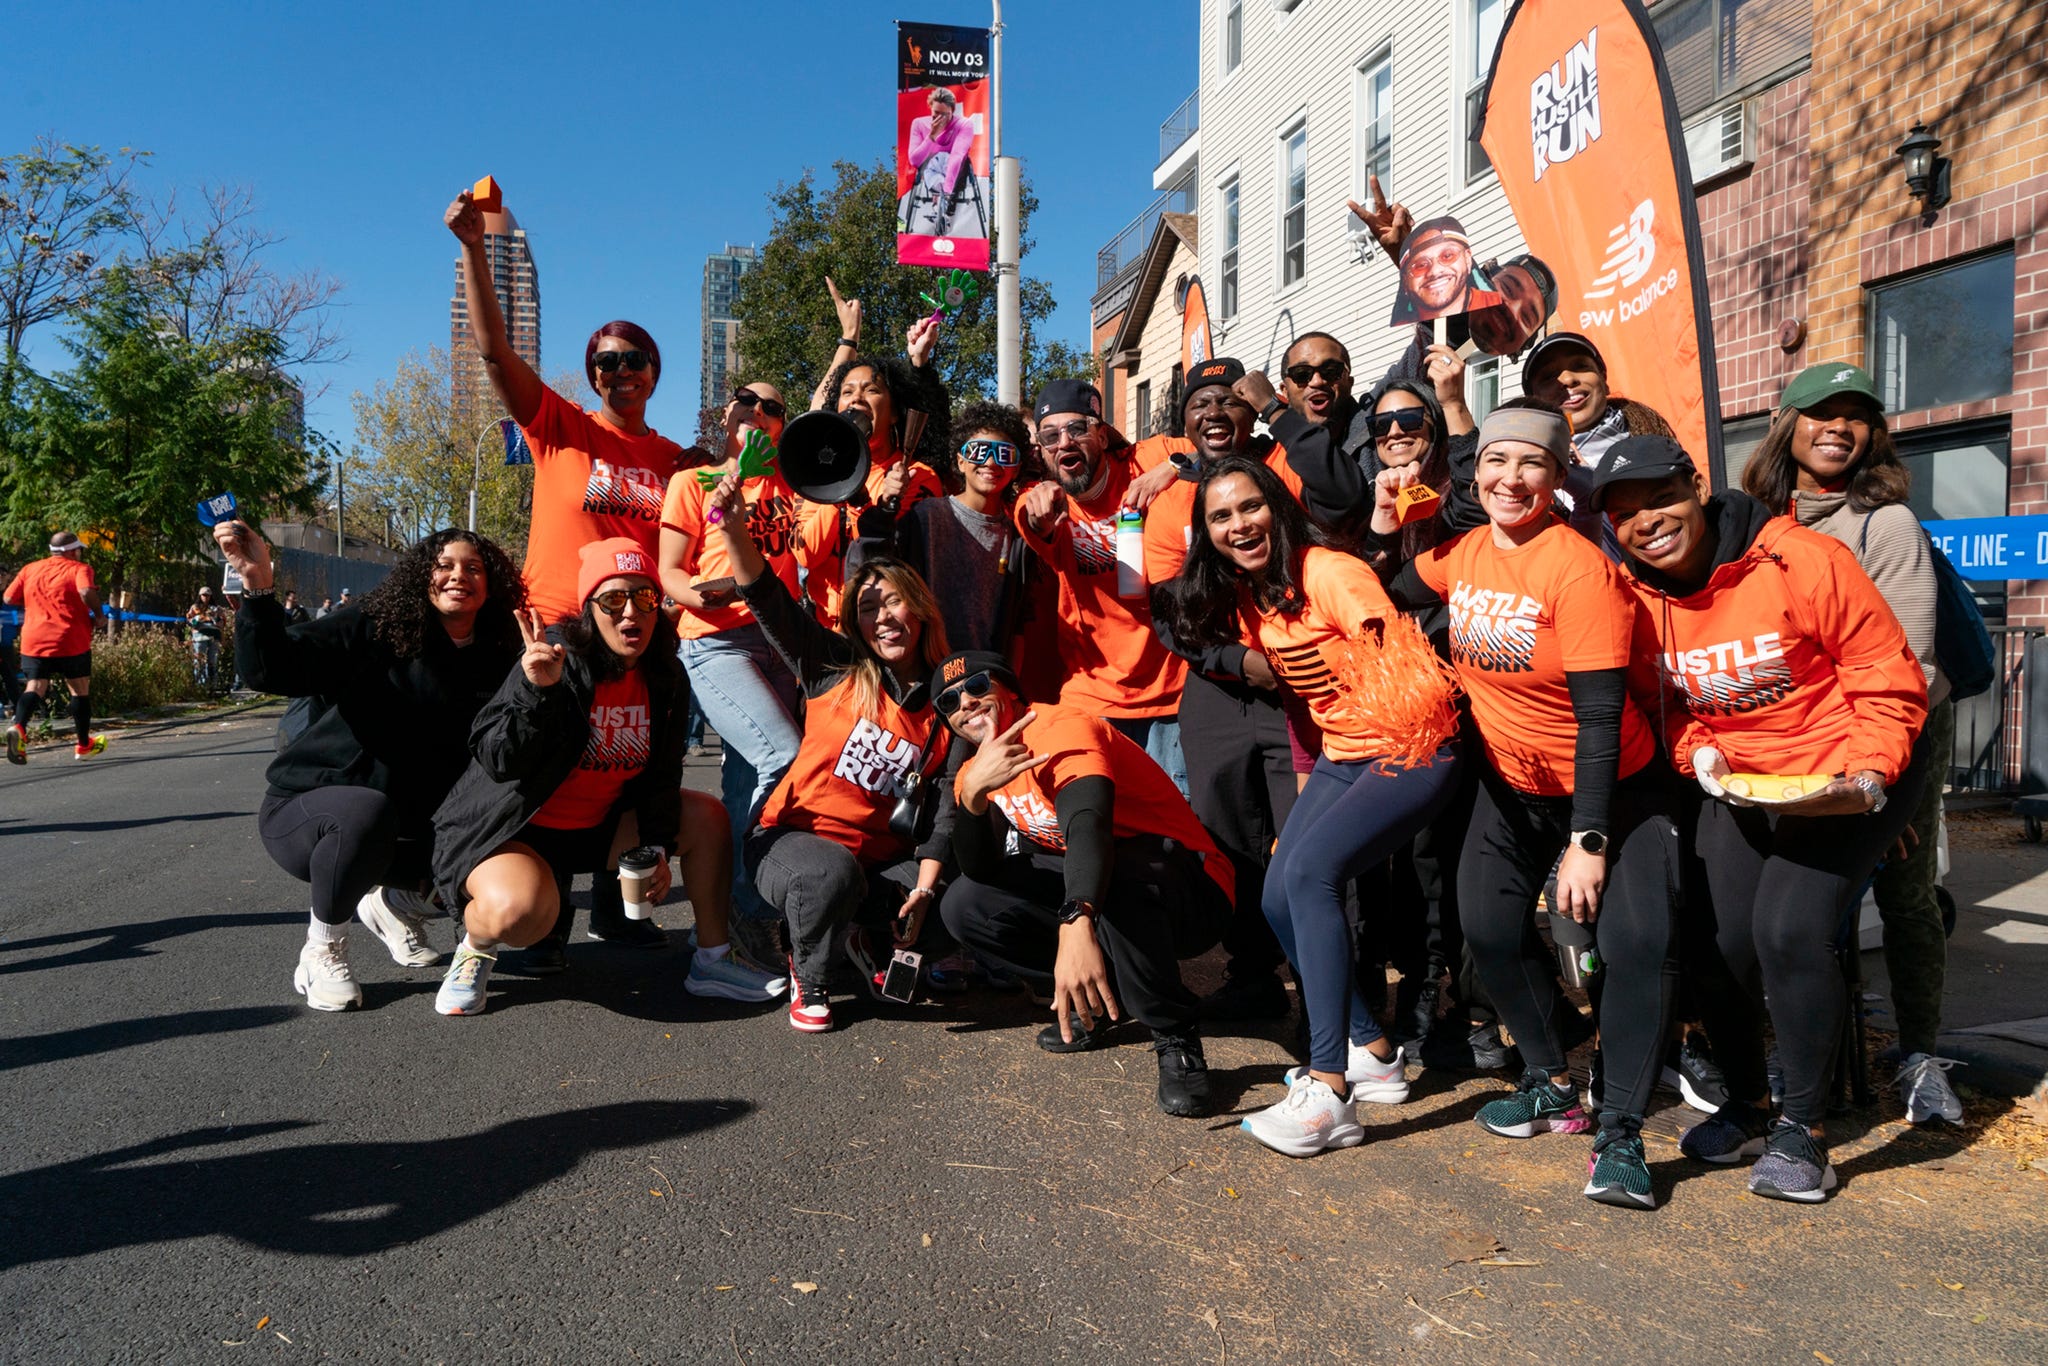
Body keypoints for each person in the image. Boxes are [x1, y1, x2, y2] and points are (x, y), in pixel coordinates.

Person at [1591, 435, 1928, 1203]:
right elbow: (1661, 710)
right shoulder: (1631, 599)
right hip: (1747, 780)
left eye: (1662, 498)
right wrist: (1698, 756)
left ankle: (1805, 1131)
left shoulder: (1800, 560)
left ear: (1696, 486)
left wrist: (1871, 773)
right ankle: (1748, 1103)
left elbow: (1885, 676)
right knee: (1717, 941)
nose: (1649, 521)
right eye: (1626, 513)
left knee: (1787, 928)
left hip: (1849, 765)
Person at [1371, 404, 1685, 1208]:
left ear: (1558, 476)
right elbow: (1387, 592)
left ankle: (1620, 1134)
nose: (1512, 479)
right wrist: (1384, 522)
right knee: (1487, 928)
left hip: (1612, 790)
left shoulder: (1577, 568)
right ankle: (1550, 1077)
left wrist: (1588, 838)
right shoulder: (1463, 552)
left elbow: (1602, 718)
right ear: (1475, 472)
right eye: (1498, 461)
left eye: (1532, 464)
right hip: (1511, 787)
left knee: (1634, 944)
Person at [1167, 456, 1464, 1155]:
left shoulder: (1329, 573)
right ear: (1206, 535)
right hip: (1342, 753)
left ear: (1276, 505)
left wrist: (1372, 764)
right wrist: (1309, 796)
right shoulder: (1253, 596)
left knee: (1311, 878)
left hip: (1413, 746)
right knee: (1276, 895)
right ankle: (1375, 1051)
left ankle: (1330, 1091)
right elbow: (1307, 707)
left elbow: (1402, 666)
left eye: (1250, 507)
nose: (1240, 524)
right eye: (1221, 516)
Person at [447, 185, 686, 946]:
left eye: (635, 359)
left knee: (628, 764)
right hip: (555, 632)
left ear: (655, 371)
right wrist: (474, 249)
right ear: (592, 376)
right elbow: (492, 350)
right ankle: (511, 894)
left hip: (633, 633)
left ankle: (619, 899)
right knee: (540, 768)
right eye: (606, 362)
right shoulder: (558, 427)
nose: (621, 371)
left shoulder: (674, 459)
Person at [1742, 361, 1962, 1126]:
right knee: (1798, 896)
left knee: (1903, 890)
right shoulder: (1759, 518)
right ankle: (1809, 1053)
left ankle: (1919, 1054)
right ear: (1787, 424)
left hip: (1898, 730)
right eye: (1821, 411)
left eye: (1857, 416)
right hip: (1794, 740)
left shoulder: (1884, 522)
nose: (1838, 426)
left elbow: (1916, 662)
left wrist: (1879, 784)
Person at [430, 540, 782, 1016]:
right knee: (523, 914)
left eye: (645, 597)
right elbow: (498, 760)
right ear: (589, 610)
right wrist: (537, 692)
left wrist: (656, 846)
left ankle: (713, 958)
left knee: (706, 816)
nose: (630, 611)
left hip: (597, 828)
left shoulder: (665, 675)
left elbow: (661, 774)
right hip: (518, 832)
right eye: (613, 599)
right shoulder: (555, 659)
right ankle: (474, 948)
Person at [219, 522, 524, 1010]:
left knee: (500, 849)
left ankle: (397, 902)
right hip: (317, 815)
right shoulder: (375, 627)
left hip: (411, 830)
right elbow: (271, 668)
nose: (457, 576)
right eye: (443, 566)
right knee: (366, 811)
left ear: (492, 585)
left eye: (473, 568)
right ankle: (322, 949)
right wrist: (258, 586)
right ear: (420, 577)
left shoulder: (501, 652)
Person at [706, 472, 953, 1034]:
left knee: (953, 889)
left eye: (894, 602)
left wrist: (923, 887)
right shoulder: (834, 665)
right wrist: (736, 532)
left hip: (878, 858)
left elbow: (945, 810)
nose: (883, 616)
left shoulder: (943, 702)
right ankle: (810, 973)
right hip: (790, 845)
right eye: (868, 607)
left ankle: (864, 938)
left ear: (920, 609)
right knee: (829, 873)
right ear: (856, 624)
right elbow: (768, 599)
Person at [938, 651, 1234, 1116]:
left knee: (1114, 877)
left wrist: (1075, 920)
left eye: (977, 686)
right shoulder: (976, 771)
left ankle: (1175, 1035)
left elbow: (1089, 825)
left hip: (1191, 885)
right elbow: (981, 870)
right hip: (1109, 883)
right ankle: (1102, 1001)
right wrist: (973, 795)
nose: (965, 703)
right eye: (949, 702)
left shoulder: (1060, 728)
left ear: (1010, 689)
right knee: (965, 905)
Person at [659, 380, 804, 966]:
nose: (761, 413)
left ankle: (723, 920)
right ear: (729, 413)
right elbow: (669, 571)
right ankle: (752, 911)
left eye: (774, 408)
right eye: (750, 401)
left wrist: (846, 344)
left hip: (784, 643)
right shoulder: (690, 483)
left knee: (746, 783)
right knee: (784, 758)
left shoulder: (792, 483)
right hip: (717, 642)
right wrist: (697, 595)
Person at [1015, 378, 1187, 792]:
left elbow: (1219, 443)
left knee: (1177, 824)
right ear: (1040, 450)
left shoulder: (1151, 457)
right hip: (1093, 695)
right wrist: (1040, 514)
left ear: (1102, 433)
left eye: (1077, 429)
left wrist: (1175, 467)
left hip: (1173, 690)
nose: (1064, 442)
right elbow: (1033, 519)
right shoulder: (1042, 500)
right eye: (1051, 435)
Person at [800, 324, 951, 626]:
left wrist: (879, 504)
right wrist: (837, 480)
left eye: (871, 390)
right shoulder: (818, 475)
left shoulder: (916, 476)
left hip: (887, 630)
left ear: (895, 413)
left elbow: (890, 557)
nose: (857, 399)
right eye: (847, 392)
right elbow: (807, 555)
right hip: (827, 630)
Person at [1520, 333, 1675, 550]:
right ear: (1533, 401)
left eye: (1580, 366)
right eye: (1548, 376)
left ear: (1603, 379)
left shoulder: (1657, 444)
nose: (1567, 380)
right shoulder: (1523, 474)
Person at [4, 531, 105, 763]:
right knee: (79, 689)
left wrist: (34, 600)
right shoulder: (79, 569)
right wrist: (98, 615)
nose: (80, 553)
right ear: (72, 551)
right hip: (71, 638)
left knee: (35, 686)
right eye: (79, 549)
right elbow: (85, 590)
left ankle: (18, 726)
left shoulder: (30, 569)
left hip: (34, 639)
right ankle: (82, 745)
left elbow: (9, 598)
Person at [1388, 217, 1502, 326]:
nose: (1435, 271)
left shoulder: (1498, 308)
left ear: (1467, 259)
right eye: (1421, 265)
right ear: (1405, 280)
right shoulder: (1403, 329)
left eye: (1447, 256)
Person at [903, 86, 980, 236]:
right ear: (930, 109)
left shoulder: (964, 125)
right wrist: (931, 136)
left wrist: (947, 190)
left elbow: (957, 155)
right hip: (930, 170)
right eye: (936, 114)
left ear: (952, 111)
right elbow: (914, 160)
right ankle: (939, 206)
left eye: (945, 114)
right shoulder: (919, 124)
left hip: (955, 173)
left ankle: (940, 204)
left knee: (951, 159)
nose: (940, 119)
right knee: (932, 161)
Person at [187, 586, 227, 689]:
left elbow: (223, 620)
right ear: (200, 596)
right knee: (200, 661)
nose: (206, 597)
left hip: (213, 637)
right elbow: (189, 620)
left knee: (212, 661)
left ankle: (213, 685)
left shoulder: (216, 608)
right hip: (199, 637)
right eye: (204, 595)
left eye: (208, 595)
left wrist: (219, 624)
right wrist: (195, 621)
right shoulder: (194, 607)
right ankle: (200, 686)